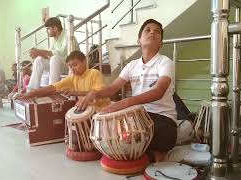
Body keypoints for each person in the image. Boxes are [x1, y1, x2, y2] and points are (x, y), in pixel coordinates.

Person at [76, 19, 177, 162]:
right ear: (139, 40)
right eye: (147, 30)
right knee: (115, 130)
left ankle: (151, 153)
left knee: (141, 135)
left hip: (162, 119)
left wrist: (127, 102)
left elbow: (159, 91)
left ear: (161, 43)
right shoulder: (132, 65)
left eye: (157, 31)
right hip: (138, 117)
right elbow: (112, 89)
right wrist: (94, 93)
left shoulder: (165, 62)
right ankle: (150, 154)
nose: (152, 32)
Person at [18, 50, 110, 111]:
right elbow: (52, 87)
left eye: (75, 65)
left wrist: (76, 93)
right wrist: (32, 93)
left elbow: (97, 92)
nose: (72, 68)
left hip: (102, 109)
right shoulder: (73, 77)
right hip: (86, 109)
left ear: (84, 61)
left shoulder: (94, 73)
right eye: (70, 66)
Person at [27, 17, 78, 91]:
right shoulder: (53, 39)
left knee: (55, 58)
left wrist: (40, 51)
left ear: (55, 28)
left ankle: (51, 89)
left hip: (70, 65)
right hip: (58, 65)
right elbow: (49, 55)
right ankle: (31, 89)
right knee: (39, 60)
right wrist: (39, 54)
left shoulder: (67, 35)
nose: (47, 31)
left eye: (48, 29)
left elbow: (61, 53)